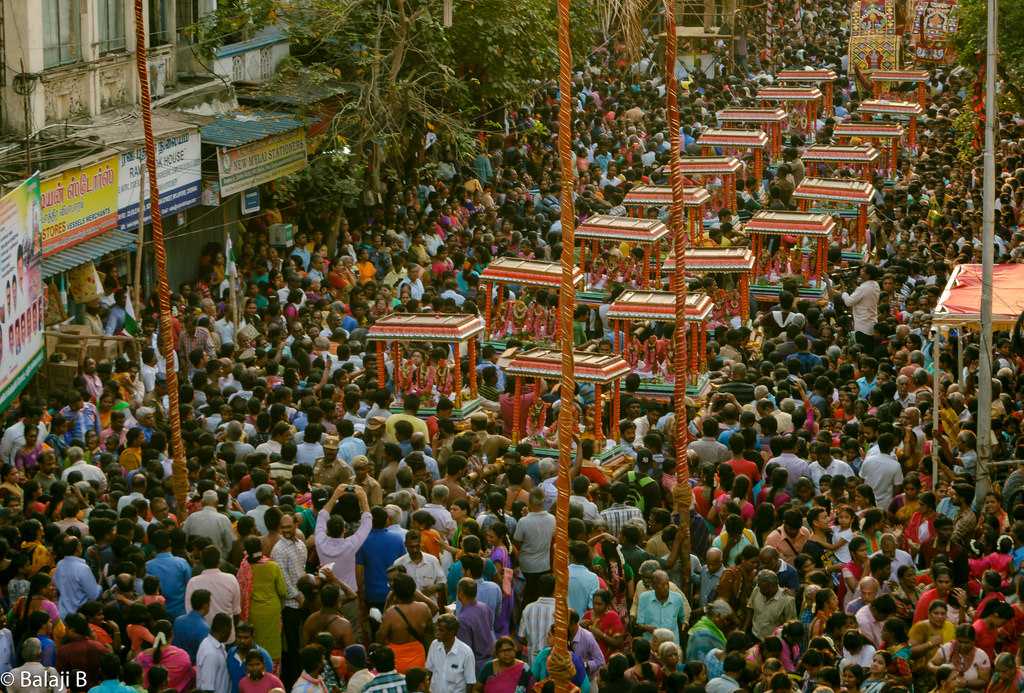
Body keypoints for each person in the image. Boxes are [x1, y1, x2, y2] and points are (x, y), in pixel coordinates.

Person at [424, 614, 476, 693]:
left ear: (452, 632)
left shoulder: (466, 652)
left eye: (441, 630)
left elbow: (470, 682)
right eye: (436, 628)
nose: (436, 633)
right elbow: (429, 670)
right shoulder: (434, 645)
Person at [196, 614, 233, 693]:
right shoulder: (211, 653)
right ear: (225, 631)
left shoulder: (218, 645)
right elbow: (207, 688)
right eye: (230, 630)